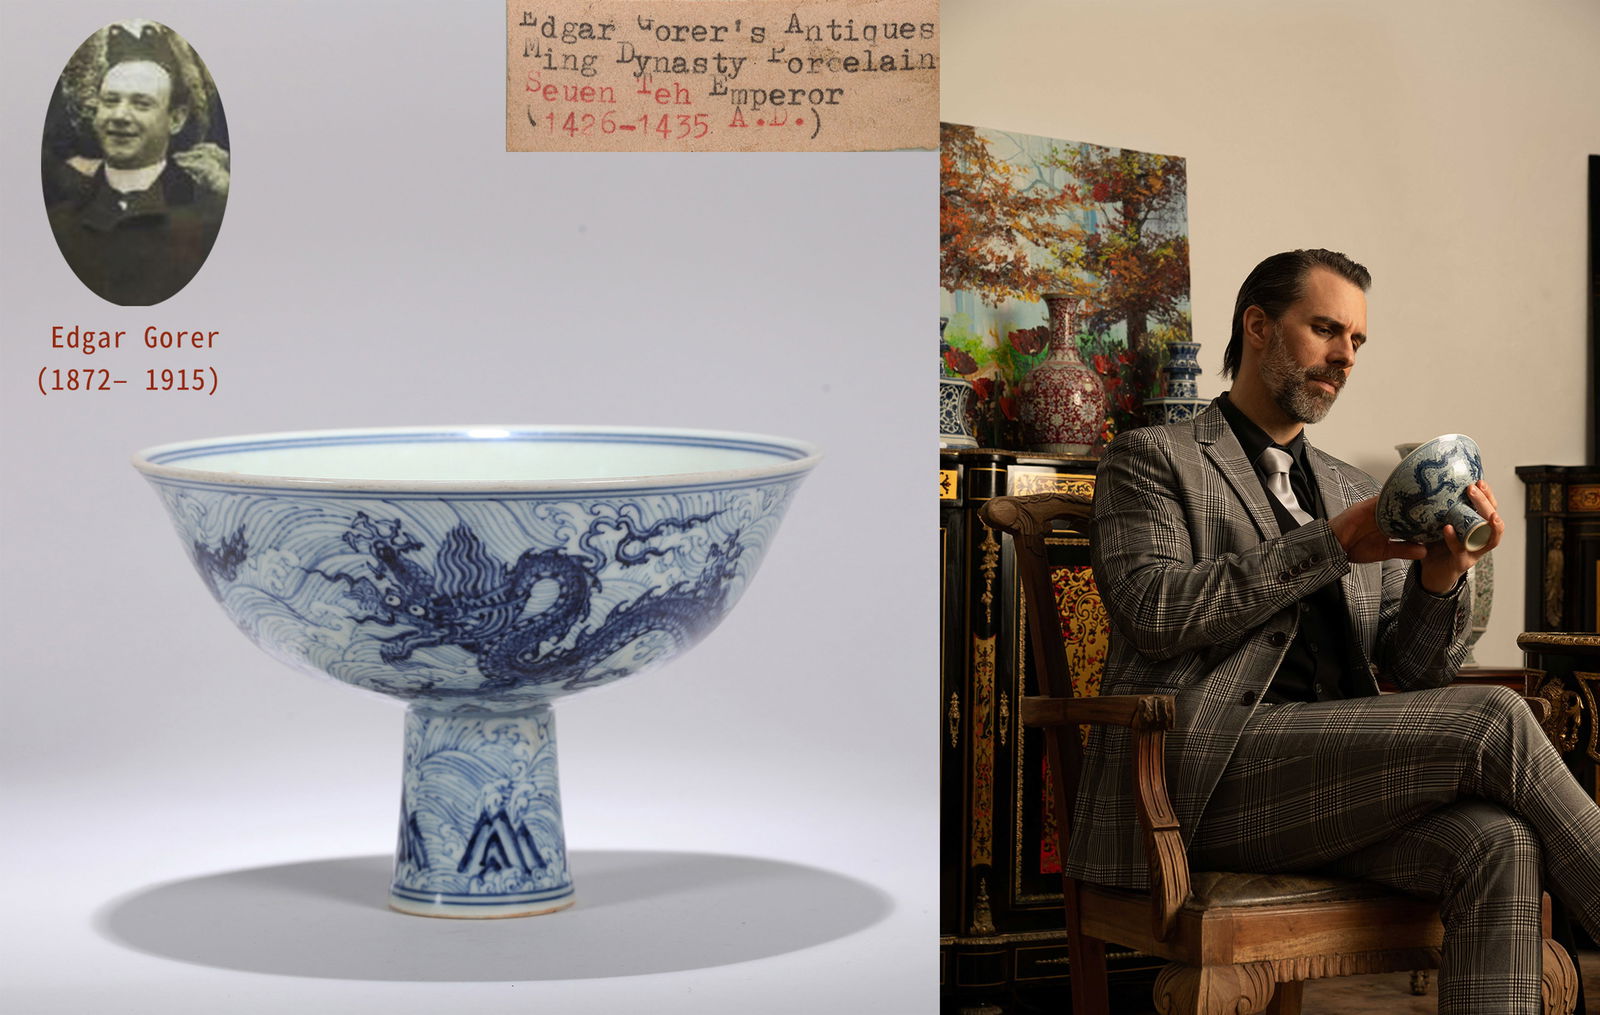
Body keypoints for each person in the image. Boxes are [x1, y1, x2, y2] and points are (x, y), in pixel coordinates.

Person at [1072, 248, 1599, 1012]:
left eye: (1356, 341)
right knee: (1493, 716)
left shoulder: (1354, 489)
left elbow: (1413, 673)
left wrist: (1439, 577)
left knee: (1499, 842)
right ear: (1258, 326)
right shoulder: (1154, 459)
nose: (1344, 356)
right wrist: (1332, 543)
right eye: (1326, 330)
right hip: (1202, 776)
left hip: (1330, 779)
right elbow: (1154, 611)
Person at [45, 22, 226, 306]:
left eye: (141, 103)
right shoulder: (57, 225)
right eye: (110, 101)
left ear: (176, 119)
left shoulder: (211, 220)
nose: (119, 115)